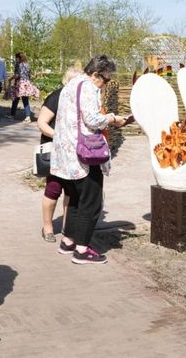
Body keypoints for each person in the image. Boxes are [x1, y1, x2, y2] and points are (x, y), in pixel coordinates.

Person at [49, 54, 130, 264]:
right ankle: (82, 250)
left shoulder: (71, 85)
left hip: (66, 154)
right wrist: (112, 118)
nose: (105, 84)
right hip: (83, 154)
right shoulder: (87, 87)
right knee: (91, 201)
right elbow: (92, 120)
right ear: (95, 74)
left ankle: (68, 241)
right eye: (105, 79)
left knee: (75, 199)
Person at [35, 67, 81, 242]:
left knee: (71, 191)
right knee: (53, 189)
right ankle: (47, 228)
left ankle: (67, 227)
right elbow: (42, 123)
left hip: (74, 153)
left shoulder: (79, 99)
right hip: (55, 151)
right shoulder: (56, 97)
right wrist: (60, 137)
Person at [9, 53, 39, 121]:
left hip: (19, 84)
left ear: (19, 58)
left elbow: (17, 75)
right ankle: (28, 117)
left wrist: (10, 79)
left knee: (15, 100)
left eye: (16, 58)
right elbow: (29, 75)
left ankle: (12, 115)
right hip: (26, 83)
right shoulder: (27, 64)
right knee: (25, 100)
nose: (15, 59)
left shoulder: (18, 64)